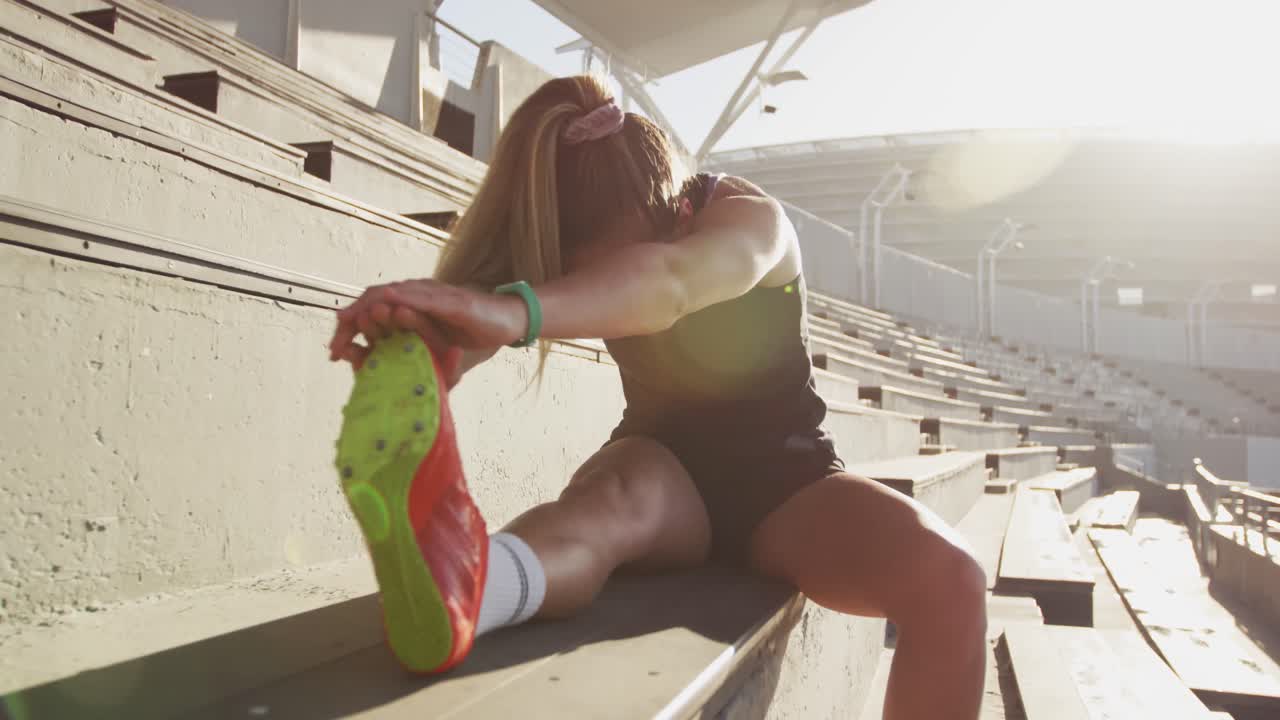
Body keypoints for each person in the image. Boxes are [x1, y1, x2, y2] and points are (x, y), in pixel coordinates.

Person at [328, 74, 987, 719]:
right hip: (662, 468)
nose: (594, 291)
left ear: (679, 213)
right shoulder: (579, 227)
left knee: (953, 582)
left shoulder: (753, 221)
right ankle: (469, 583)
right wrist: (420, 348)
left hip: (790, 485)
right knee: (601, 511)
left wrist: (515, 311)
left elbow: (667, 286)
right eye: (581, 276)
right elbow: (468, 334)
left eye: (606, 274)